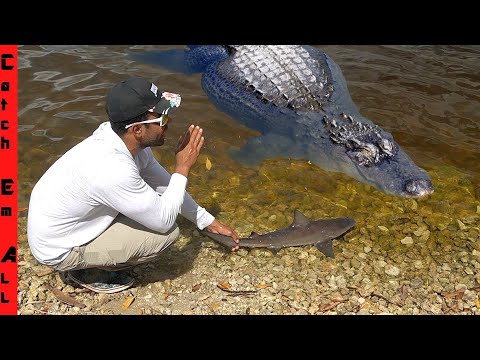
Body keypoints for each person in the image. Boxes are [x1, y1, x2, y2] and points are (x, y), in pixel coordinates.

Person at [27, 76, 240, 294]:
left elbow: (164, 186)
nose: (169, 123)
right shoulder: (111, 168)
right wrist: (183, 167)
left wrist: (206, 221)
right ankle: (85, 269)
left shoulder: (121, 140)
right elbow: (164, 222)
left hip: (67, 226)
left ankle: (92, 255)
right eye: (162, 119)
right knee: (165, 236)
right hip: (59, 250)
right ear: (137, 129)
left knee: (160, 204)